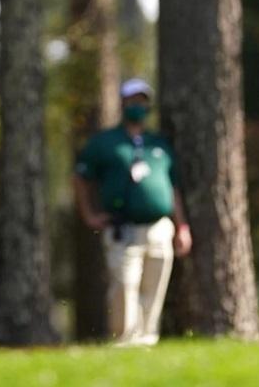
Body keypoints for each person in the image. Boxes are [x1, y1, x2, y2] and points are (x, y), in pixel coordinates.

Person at [74, 78, 193, 346]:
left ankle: (147, 340)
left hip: (160, 227)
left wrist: (182, 226)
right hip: (123, 227)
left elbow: (172, 187)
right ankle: (125, 340)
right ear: (123, 103)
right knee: (125, 284)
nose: (138, 106)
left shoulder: (159, 144)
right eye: (133, 101)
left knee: (154, 286)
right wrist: (90, 215)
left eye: (142, 101)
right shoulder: (105, 142)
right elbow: (81, 178)